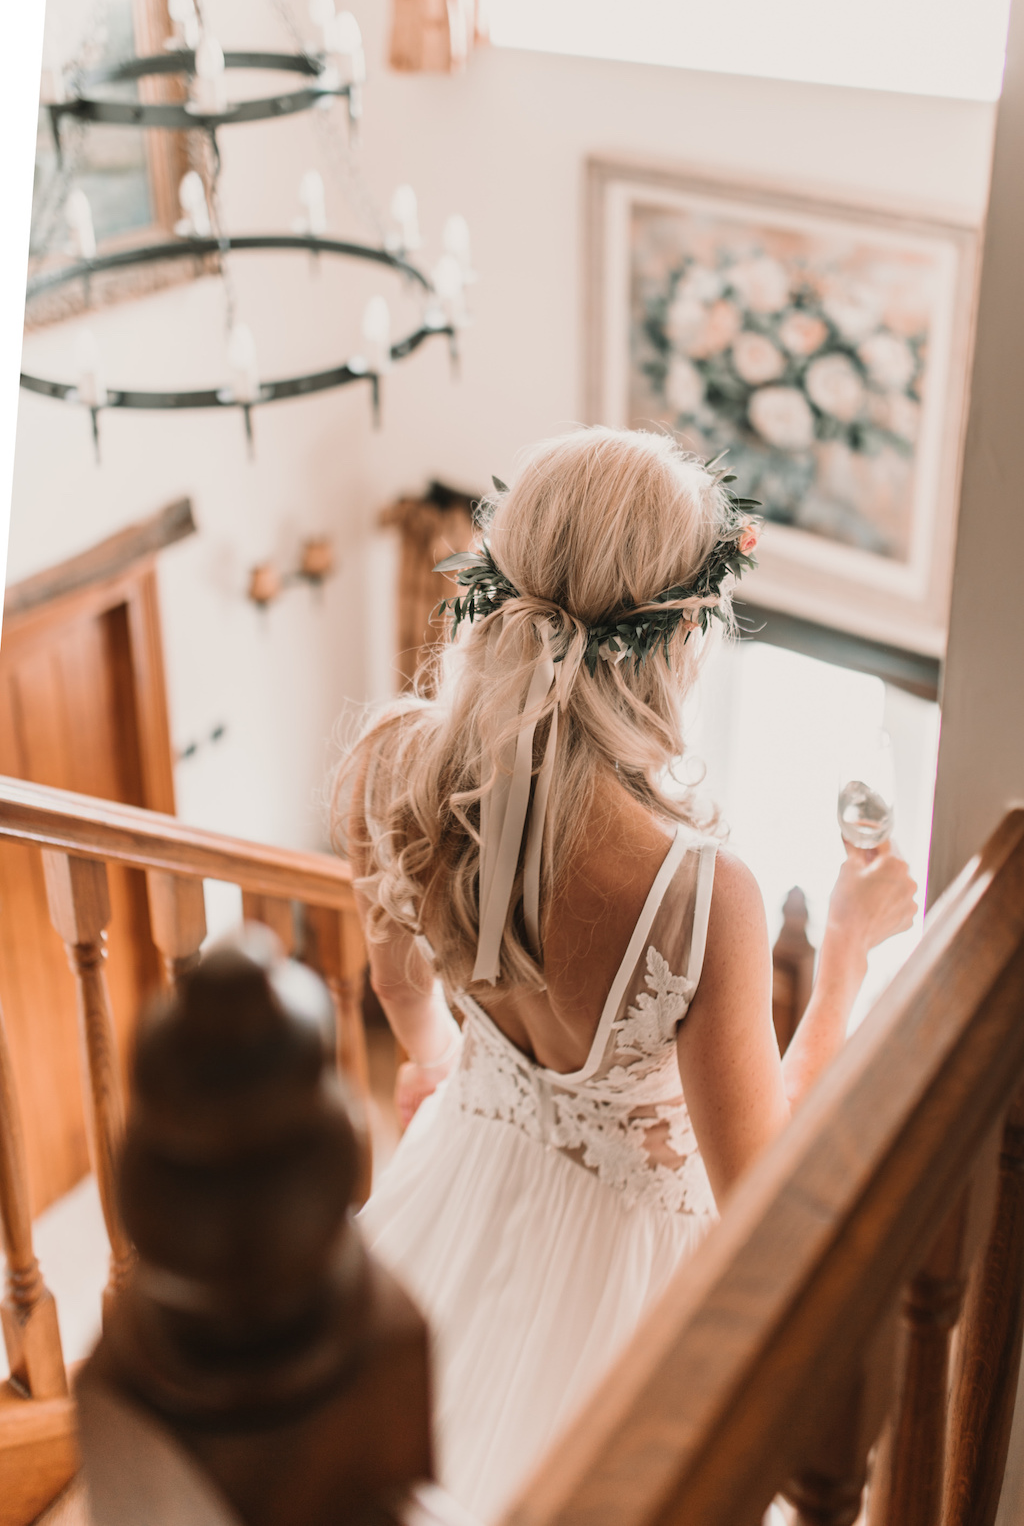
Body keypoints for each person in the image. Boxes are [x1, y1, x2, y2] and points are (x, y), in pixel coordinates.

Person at [343, 428, 917, 1523]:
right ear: (682, 637)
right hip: (624, 1281)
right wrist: (844, 954)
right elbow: (760, 1194)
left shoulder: (400, 761)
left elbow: (399, 990)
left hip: (453, 1187)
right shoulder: (702, 896)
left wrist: (452, 1075)